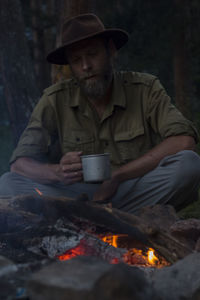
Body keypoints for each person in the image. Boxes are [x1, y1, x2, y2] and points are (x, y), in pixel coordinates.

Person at [0, 13, 200, 214]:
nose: (86, 66)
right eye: (77, 60)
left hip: (134, 191)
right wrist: (58, 173)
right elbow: (19, 165)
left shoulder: (144, 89)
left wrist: (118, 175)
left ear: (110, 50)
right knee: (7, 184)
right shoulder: (55, 99)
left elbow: (183, 141)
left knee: (189, 165)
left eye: (92, 54)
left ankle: (108, 218)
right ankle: (85, 216)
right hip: (77, 197)